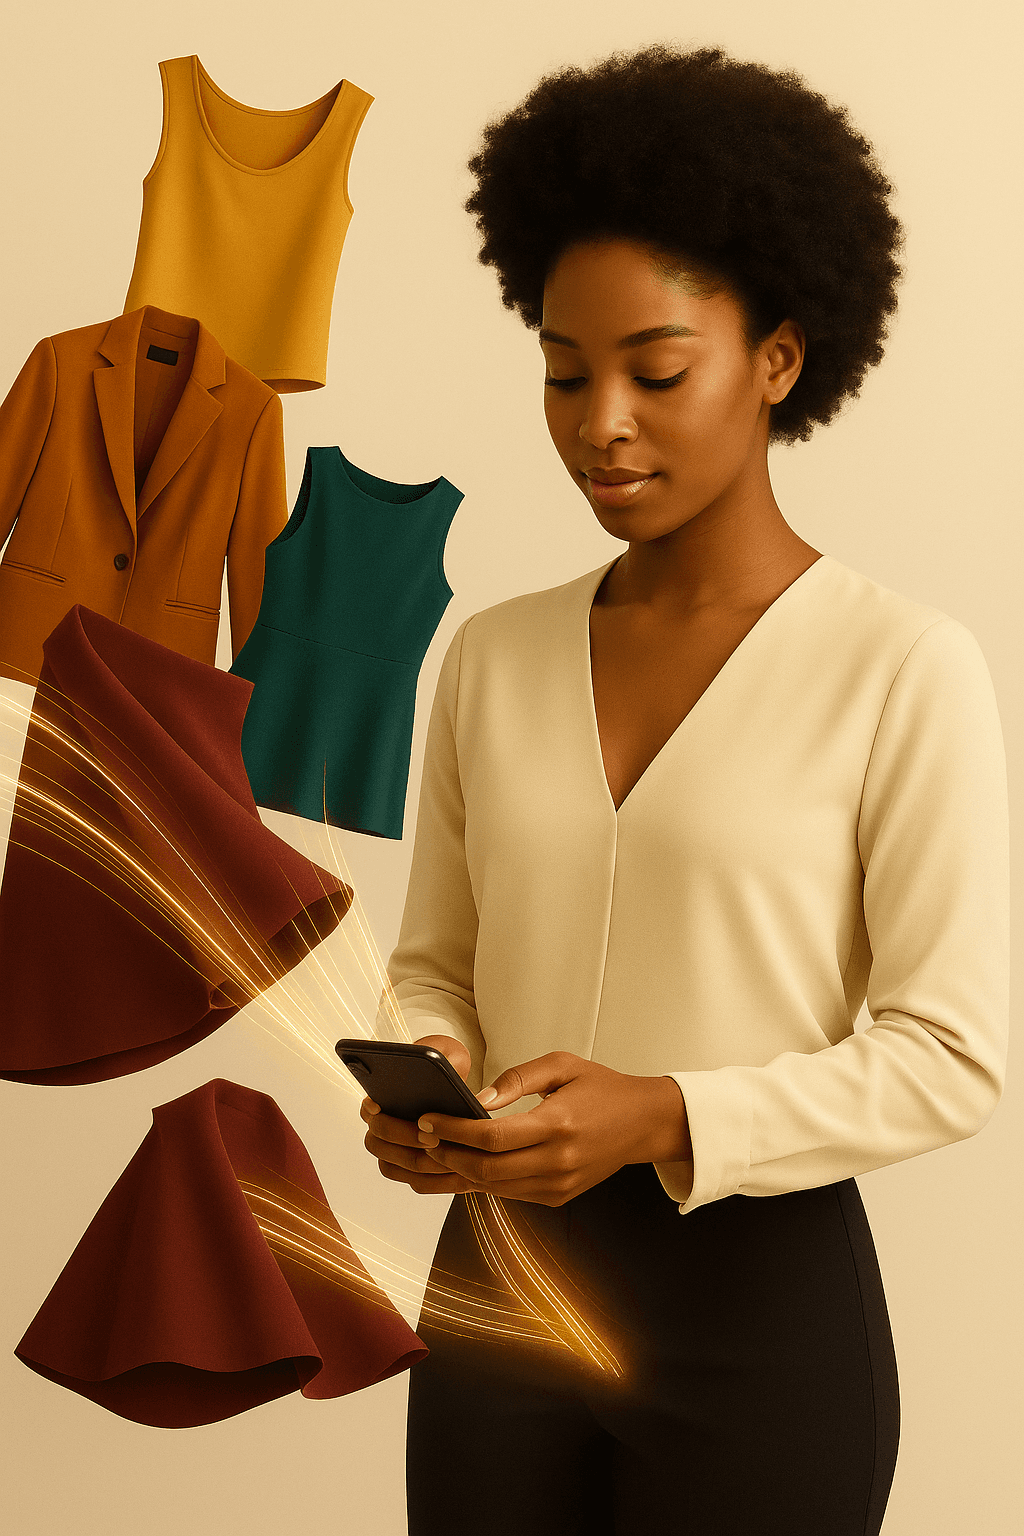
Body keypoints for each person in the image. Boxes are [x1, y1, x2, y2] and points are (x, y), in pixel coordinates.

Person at [359, 45, 1008, 1536]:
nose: (602, 423)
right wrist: (432, 1081)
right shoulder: (495, 655)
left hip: (760, 1318)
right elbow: (433, 962)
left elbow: (951, 1052)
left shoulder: (902, 666)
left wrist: (661, 1115)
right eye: (564, 373)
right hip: (497, 1295)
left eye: (656, 372)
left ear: (778, 359)